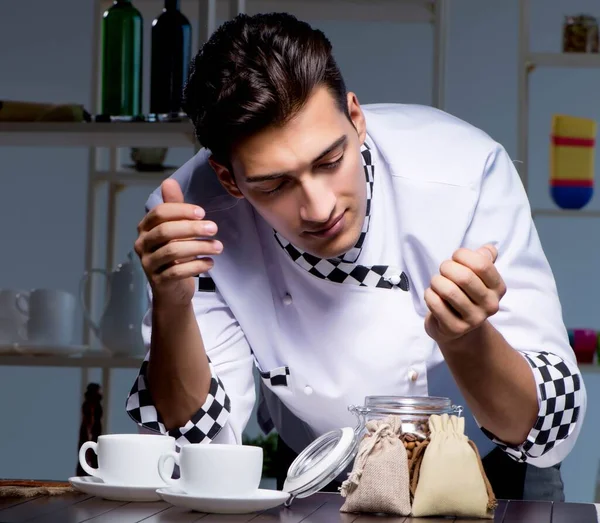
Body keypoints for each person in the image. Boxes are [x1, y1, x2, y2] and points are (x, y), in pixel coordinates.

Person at [125, 12, 586, 501]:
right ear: (229, 179)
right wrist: (171, 304)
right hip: (323, 482)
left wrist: (467, 337)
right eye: (274, 184)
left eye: (330, 162)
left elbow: (546, 435)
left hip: (495, 473)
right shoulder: (192, 217)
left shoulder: (464, 173)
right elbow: (193, 445)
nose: (319, 208)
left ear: (356, 117)